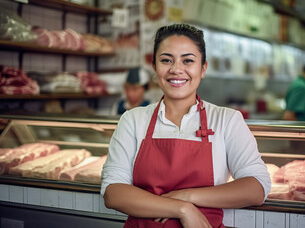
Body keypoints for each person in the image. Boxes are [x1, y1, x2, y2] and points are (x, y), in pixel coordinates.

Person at [101, 24, 271, 228]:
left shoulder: (226, 120)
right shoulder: (133, 119)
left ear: (203, 68)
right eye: (166, 60)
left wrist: (186, 196)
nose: (176, 69)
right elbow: (113, 192)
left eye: (188, 60)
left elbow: (256, 187)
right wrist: (182, 209)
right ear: (154, 68)